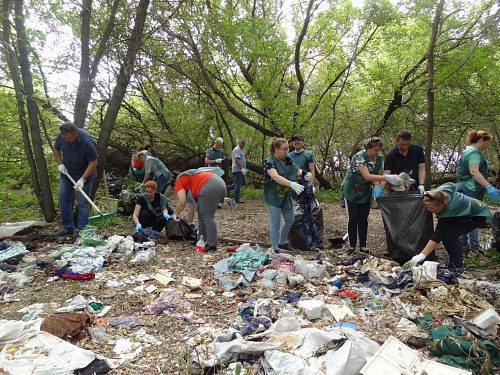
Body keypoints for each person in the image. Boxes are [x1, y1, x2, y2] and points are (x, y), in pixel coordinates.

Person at [410, 183, 495, 271]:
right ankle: (452, 264)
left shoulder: (449, 211)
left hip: (478, 214)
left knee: (451, 234)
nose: (428, 210)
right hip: (463, 212)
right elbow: (451, 184)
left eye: (431, 208)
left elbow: (437, 236)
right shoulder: (440, 192)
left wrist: (422, 255)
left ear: (441, 205)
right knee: (446, 235)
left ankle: (458, 266)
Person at [340, 137, 403, 255]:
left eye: (379, 150)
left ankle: (363, 246)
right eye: (375, 150)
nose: (377, 152)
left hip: (365, 191)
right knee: (353, 218)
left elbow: (374, 175)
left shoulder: (379, 158)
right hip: (352, 190)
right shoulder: (359, 157)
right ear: (368, 149)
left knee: (363, 218)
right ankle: (352, 246)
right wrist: (387, 177)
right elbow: (367, 176)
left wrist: (377, 186)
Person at [263, 137, 312, 253]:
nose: (286, 152)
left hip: (285, 196)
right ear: (276, 149)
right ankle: (275, 249)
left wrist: (304, 174)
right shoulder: (269, 162)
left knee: (290, 219)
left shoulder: (287, 159)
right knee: (275, 222)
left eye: (287, 149)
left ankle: (282, 243)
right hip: (273, 197)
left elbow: (296, 169)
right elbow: (275, 177)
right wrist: (292, 184)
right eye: (284, 149)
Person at [52, 122, 98, 235]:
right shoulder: (62, 137)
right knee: (63, 198)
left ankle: (82, 231)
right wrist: (60, 164)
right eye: (64, 138)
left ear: (76, 134)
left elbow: (93, 162)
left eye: (68, 138)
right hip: (67, 173)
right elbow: (56, 149)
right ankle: (68, 229)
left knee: (82, 202)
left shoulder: (87, 142)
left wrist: (82, 179)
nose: (66, 140)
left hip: (84, 174)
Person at [456, 130, 497, 254]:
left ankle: (462, 244)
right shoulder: (473, 153)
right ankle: (474, 248)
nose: (486, 146)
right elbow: (474, 172)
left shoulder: (467, 151)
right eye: (486, 143)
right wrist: (488, 186)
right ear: (481, 141)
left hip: (466, 188)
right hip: (470, 188)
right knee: (474, 217)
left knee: (465, 216)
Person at [172, 168, 226, 251]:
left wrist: (175, 214)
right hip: (219, 182)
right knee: (201, 213)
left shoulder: (179, 182)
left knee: (207, 216)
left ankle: (212, 244)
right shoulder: (188, 177)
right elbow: (191, 204)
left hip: (209, 186)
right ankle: (201, 239)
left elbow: (182, 202)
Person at [227, 139, 247, 203]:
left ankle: (229, 187)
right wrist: (241, 168)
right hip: (237, 169)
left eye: (244, 143)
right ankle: (236, 199)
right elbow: (236, 160)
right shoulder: (237, 150)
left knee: (243, 183)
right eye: (242, 143)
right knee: (238, 184)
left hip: (241, 169)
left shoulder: (242, 150)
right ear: (239, 143)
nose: (243, 144)